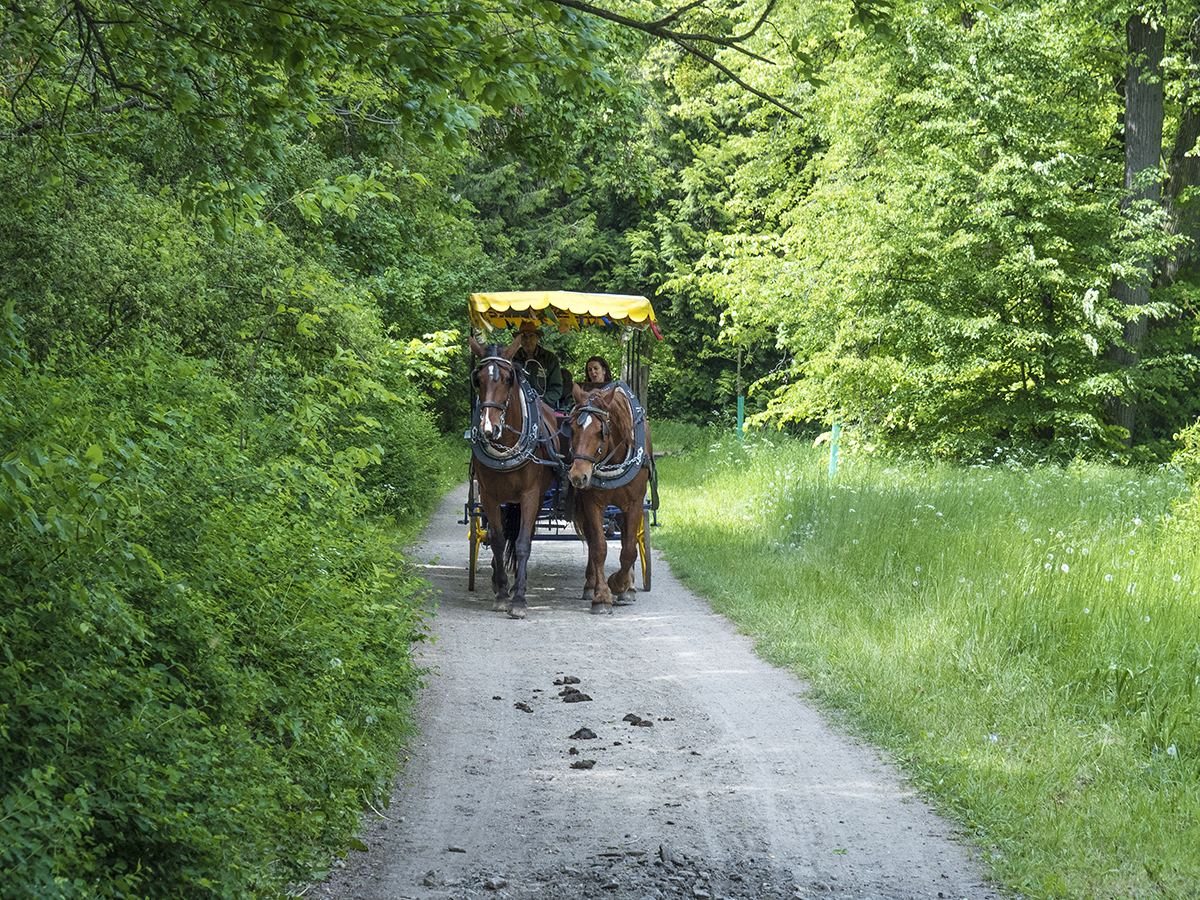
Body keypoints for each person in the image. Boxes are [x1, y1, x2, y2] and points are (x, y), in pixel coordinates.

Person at [512, 320, 564, 408]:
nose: (527, 340)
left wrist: (541, 402)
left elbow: (556, 388)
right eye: (524, 337)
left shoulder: (550, 359)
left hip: (543, 406)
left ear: (537, 338)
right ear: (519, 340)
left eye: (531, 336)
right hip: (518, 406)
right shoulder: (512, 359)